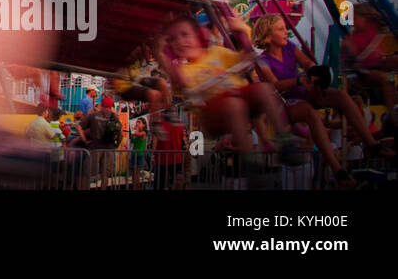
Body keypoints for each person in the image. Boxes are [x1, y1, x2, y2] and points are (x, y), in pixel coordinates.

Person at [158, 13, 307, 179]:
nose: (180, 41)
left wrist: (243, 31)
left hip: (239, 98)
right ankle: (250, 162)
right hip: (213, 113)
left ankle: (285, 140)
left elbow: (244, 58)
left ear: (198, 35)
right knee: (234, 104)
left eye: (185, 35)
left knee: (264, 89)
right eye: (173, 39)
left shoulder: (216, 53)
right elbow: (178, 78)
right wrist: (162, 54)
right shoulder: (184, 70)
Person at [253, 13, 392, 165]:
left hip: (304, 92)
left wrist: (315, 70)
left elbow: (306, 63)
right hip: (285, 102)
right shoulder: (262, 61)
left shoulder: (290, 48)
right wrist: (299, 80)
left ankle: (371, 143)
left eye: (285, 28)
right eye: (281, 29)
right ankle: (335, 167)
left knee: (340, 96)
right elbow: (276, 85)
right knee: (309, 111)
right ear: (268, 37)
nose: (286, 32)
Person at [84, 94, 122, 188]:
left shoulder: (94, 115)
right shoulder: (114, 117)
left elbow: (80, 127)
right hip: (109, 149)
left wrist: (85, 140)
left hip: (96, 148)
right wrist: (116, 146)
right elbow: (120, 134)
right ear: (111, 106)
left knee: (88, 172)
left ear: (102, 105)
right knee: (105, 175)